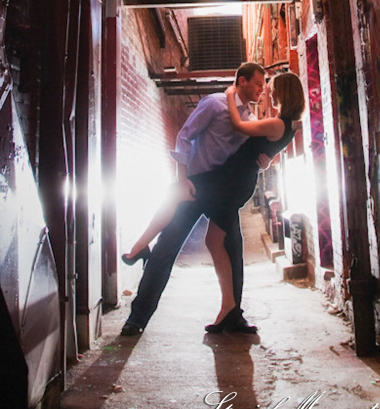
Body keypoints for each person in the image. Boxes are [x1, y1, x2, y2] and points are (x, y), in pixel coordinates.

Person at [121, 69, 306, 335]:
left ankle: (232, 314)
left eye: (265, 85)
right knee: (167, 247)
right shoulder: (215, 103)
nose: (262, 90)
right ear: (241, 81)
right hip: (198, 185)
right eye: (257, 83)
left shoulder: (252, 119)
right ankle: (137, 318)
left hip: (225, 188)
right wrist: (182, 177)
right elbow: (184, 136)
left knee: (232, 251)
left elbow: (252, 153)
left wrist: (264, 162)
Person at [195, 71, 305, 332]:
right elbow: (262, 149)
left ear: (283, 94)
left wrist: (231, 96)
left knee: (213, 240)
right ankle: (230, 308)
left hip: (234, 184)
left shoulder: (278, 124)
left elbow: (238, 126)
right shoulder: (285, 124)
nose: (268, 92)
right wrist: (267, 160)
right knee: (215, 240)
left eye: (273, 89)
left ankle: (229, 308)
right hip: (236, 182)